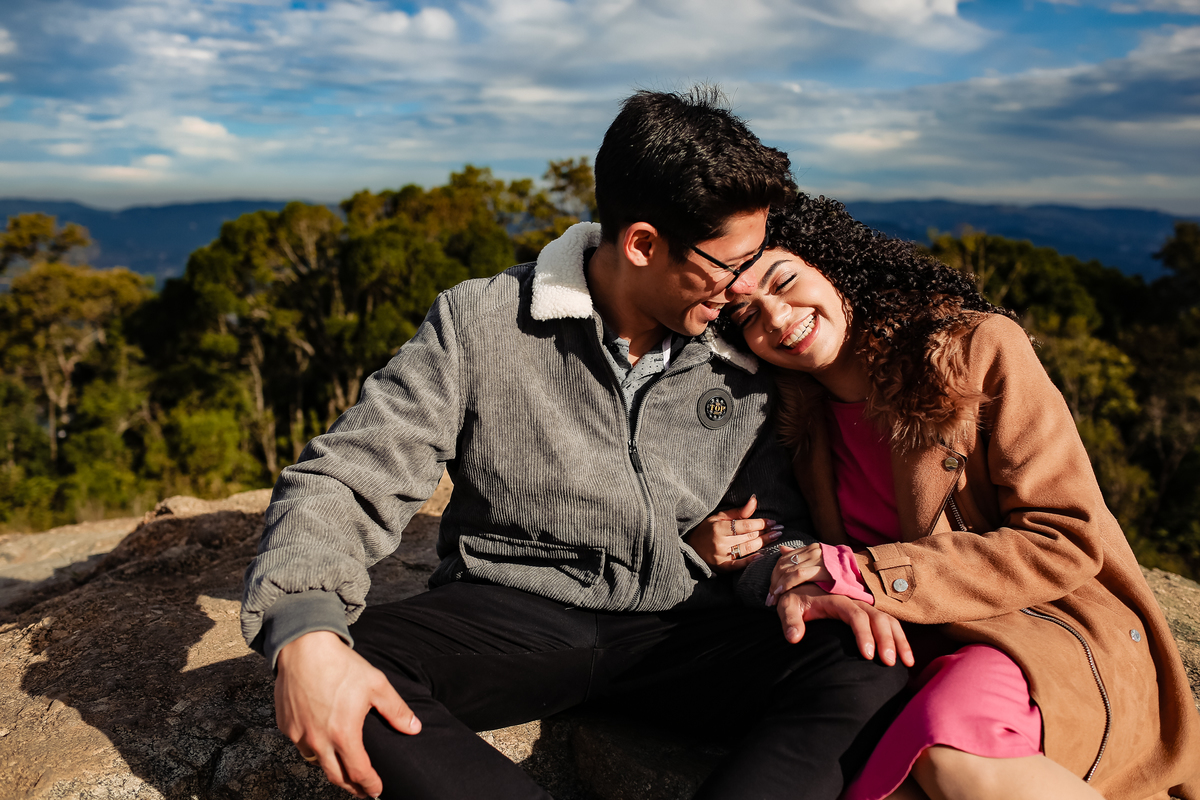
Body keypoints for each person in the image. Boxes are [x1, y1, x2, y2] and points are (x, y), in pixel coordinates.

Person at [241, 89, 912, 800]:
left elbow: (770, 521)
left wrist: (789, 576)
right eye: (726, 264)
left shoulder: (741, 347)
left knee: (865, 657)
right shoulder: (481, 321)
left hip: (686, 629)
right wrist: (304, 629)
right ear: (643, 244)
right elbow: (351, 473)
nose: (741, 288)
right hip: (515, 620)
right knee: (340, 665)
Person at [701, 193, 1200, 800]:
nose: (776, 320)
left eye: (784, 282)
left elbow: (1067, 537)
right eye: (747, 317)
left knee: (949, 751)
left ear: (829, 264)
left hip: (1040, 631)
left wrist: (869, 573)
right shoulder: (788, 419)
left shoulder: (975, 350)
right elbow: (777, 535)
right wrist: (743, 553)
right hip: (906, 649)